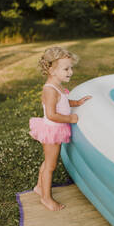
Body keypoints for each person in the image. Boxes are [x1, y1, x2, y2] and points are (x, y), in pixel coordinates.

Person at [29, 47, 91, 211]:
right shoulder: (49, 89)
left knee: (47, 162)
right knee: (50, 166)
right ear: (51, 70)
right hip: (52, 131)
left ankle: (38, 187)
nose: (70, 72)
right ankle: (46, 198)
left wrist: (76, 103)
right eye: (66, 69)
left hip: (54, 130)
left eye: (71, 68)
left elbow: (62, 101)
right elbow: (51, 114)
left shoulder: (57, 85)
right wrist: (70, 118)